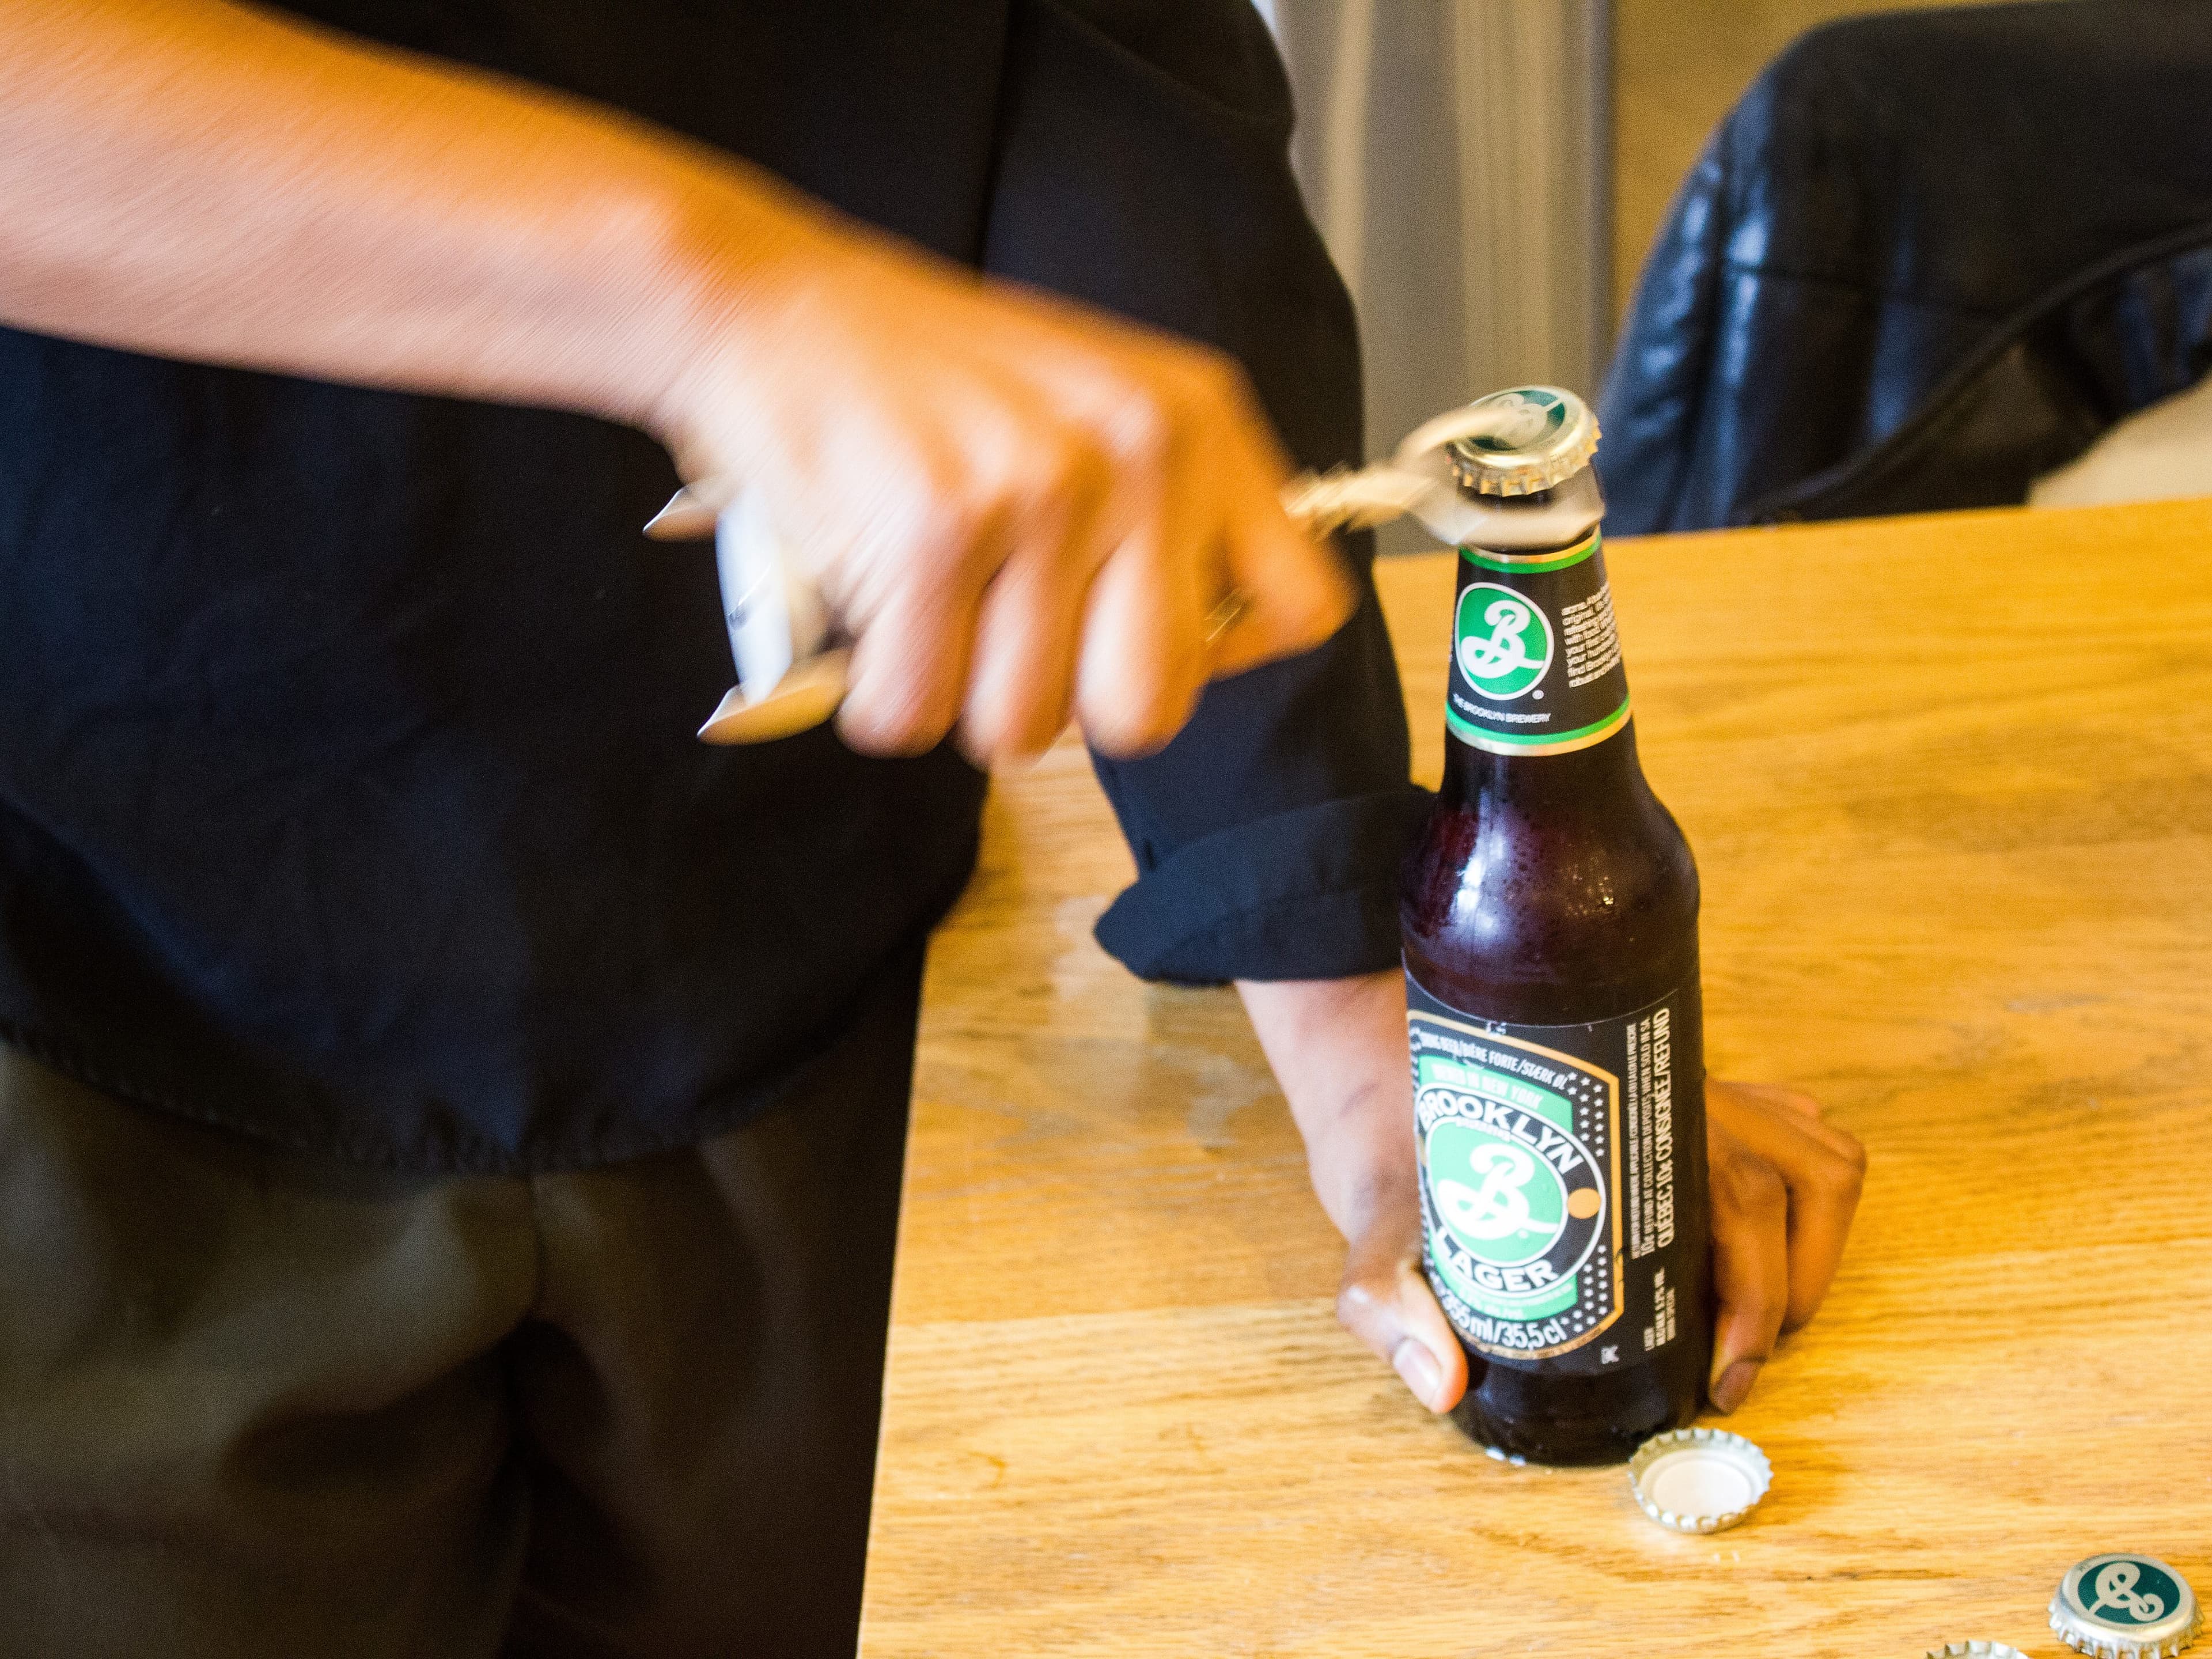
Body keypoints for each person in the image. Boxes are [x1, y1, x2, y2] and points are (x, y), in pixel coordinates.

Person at [0, 2, 1866, 1654]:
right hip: (117, 999)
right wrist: (714, 293)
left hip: (823, 1000)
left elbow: (1100, 76)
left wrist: (1357, 986)